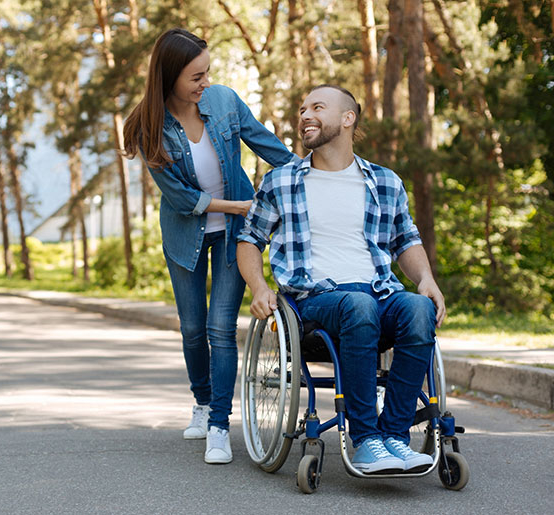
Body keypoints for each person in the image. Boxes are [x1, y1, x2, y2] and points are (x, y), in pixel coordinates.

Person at [236, 84, 446, 474]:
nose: (304, 116)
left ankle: (395, 438)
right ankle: (366, 439)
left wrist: (427, 280)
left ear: (347, 119)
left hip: (379, 292)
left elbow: (406, 240)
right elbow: (249, 240)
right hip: (315, 300)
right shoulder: (281, 181)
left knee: (418, 308)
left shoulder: (384, 181)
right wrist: (259, 286)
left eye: (317, 107)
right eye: (302, 110)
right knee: (358, 305)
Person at [122, 28, 296, 465]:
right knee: (192, 328)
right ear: (169, 77)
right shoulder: (149, 127)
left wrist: (311, 172)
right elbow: (180, 198)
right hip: (186, 233)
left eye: (207, 73)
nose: (205, 84)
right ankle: (201, 402)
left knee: (221, 329)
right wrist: (237, 205)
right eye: (195, 77)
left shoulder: (223, 101)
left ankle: (219, 425)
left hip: (235, 235)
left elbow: (265, 144)